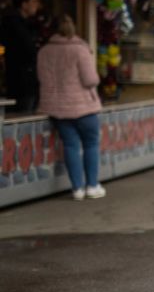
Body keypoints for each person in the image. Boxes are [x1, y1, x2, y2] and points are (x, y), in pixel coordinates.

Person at [37, 15, 105, 200]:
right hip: (84, 108)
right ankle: (92, 185)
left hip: (59, 110)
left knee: (70, 146)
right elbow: (91, 79)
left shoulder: (44, 52)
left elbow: (43, 80)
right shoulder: (80, 50)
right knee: (91, 144)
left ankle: (77, 189)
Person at [0, 0, 42, 113]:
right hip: (22, 82)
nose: (37, 5)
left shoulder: (25, 24)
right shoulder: (14, 24)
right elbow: (4, 47)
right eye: (33, 1)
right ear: (24, 4)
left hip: (26, 80)